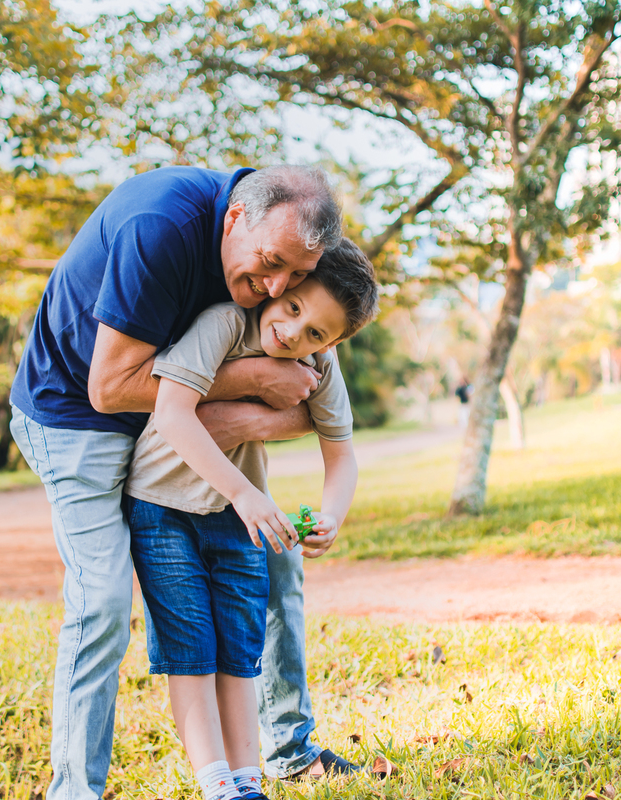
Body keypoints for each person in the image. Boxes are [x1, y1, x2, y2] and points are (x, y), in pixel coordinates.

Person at [8, 165, 362, 800]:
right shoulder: (161, 228)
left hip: (165, 423)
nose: (275, 287)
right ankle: (73, 791)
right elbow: (110, 387)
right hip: (73, 413)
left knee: (279, 562)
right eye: (270, 264)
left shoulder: (272, 283)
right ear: (234, 220)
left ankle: (283, 746)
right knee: (104, 600)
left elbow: (313, 414)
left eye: (296, 278)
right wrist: (252, 391)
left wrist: (249, 413)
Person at [124, 240, 378, 800]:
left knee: (240, 650)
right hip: (163, 506)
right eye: (293, 308)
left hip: (232, 513)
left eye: (317, 333)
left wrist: (331, 513)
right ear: (282, 285)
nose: (295, 333)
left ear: (332, 344)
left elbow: (342, 451)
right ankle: (216, 783)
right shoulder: (222, 323)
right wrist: (244, 493)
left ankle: (246, 782)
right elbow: (171, 412)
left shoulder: (319, 362)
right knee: (191, 649)